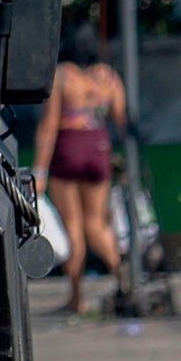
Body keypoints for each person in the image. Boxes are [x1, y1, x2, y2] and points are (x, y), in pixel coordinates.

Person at [32, 20, 127, 315]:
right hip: (98, 148)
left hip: (68, 150)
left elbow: (49, 126)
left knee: (73, 226)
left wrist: (39, 171)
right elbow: (120, 119)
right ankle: (125, 282)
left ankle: (77, 298)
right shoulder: (108, 78)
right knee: (97, 224)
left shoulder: (63, 76)